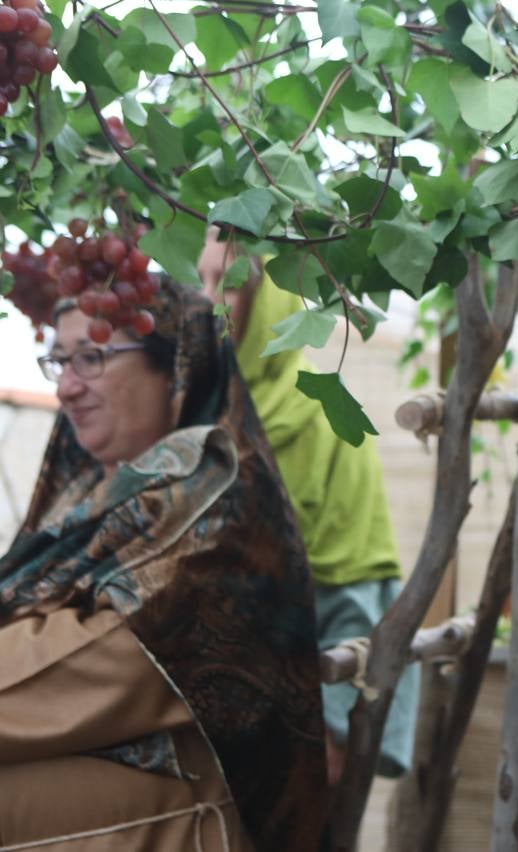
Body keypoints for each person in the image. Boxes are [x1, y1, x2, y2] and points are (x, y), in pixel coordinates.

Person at [0, 278, 329, 850]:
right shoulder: (86, 493)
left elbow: (104, 668)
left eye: (91, 357)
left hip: (192, 796)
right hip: (91, 758)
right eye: (59, 362)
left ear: (177, 370)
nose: (68, 387)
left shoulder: (215, 501)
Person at [197, 228, 418, 784]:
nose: (207, 301)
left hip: (317, 685)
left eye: (225, 284)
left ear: (266, 296)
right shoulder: (209, 413)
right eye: (199, 281)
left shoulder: (320, 413)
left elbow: (355, 579)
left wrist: (334, 732)